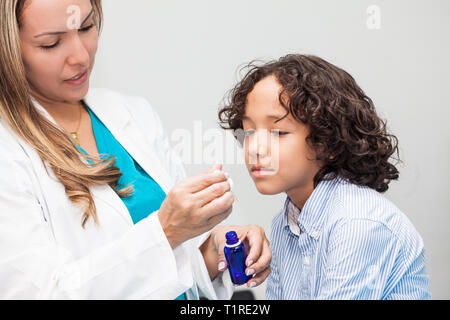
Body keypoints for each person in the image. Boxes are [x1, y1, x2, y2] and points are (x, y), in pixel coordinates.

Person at [0, 0, 271, 299]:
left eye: (87, 27)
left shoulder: (131, 113)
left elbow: (173, 271)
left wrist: (216, 250)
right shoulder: (8, 151)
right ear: (9, 49)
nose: (81, 56)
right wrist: (165, 231)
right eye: (51, 44)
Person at [218, 54, 431, 299]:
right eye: (249, 132)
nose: (254, 148)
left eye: (277, 132)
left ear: (326, 141)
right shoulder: (283, 224)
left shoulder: (357, 223)